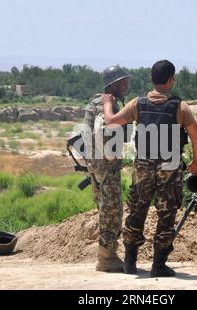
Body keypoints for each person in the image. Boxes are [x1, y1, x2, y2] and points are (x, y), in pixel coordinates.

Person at [102, 60, 197, 277]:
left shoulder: (137, 104)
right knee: (166, 215)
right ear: (171, 80)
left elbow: (110, 122)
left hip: (142, 168)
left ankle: (130, 264)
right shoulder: (180, 107)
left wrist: (107, 103)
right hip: (170, 168)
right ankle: (158, 266)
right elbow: (196, 138)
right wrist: (196, 163)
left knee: (137, 210)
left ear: (151, 79)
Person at [83, 65, 131, 272]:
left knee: (104, 209)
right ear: (113, 84)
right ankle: (106, 258)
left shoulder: (93, 102)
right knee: (112, 211)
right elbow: (107, 133)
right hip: (107, 166)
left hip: (93, 165)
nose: (126, 84)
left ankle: (107, 254)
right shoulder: (108, 104)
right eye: (123, 81)